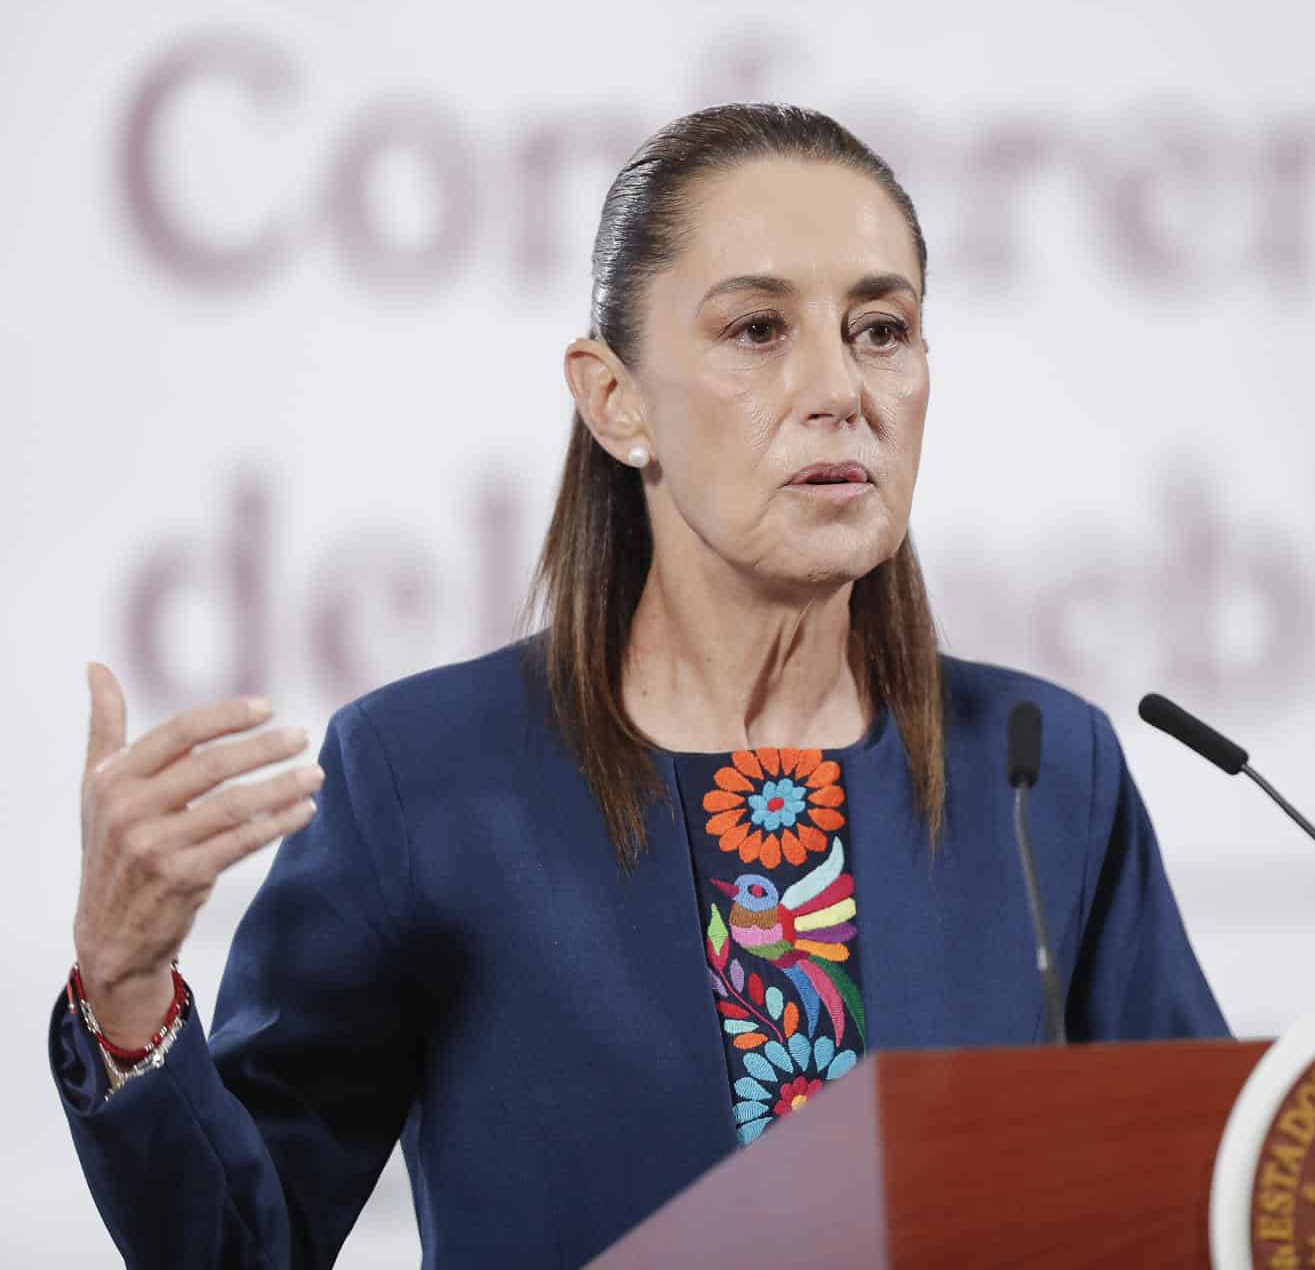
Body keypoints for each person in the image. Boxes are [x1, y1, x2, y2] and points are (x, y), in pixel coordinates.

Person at [50, 103, 1229, 1268]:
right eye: (759, 330)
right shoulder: (424, 780)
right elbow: (238, 1249)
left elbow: (1209, 1201)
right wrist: (127, 985)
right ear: (615, 400)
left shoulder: (1040, 767)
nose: (842, 387)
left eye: (881, 328)